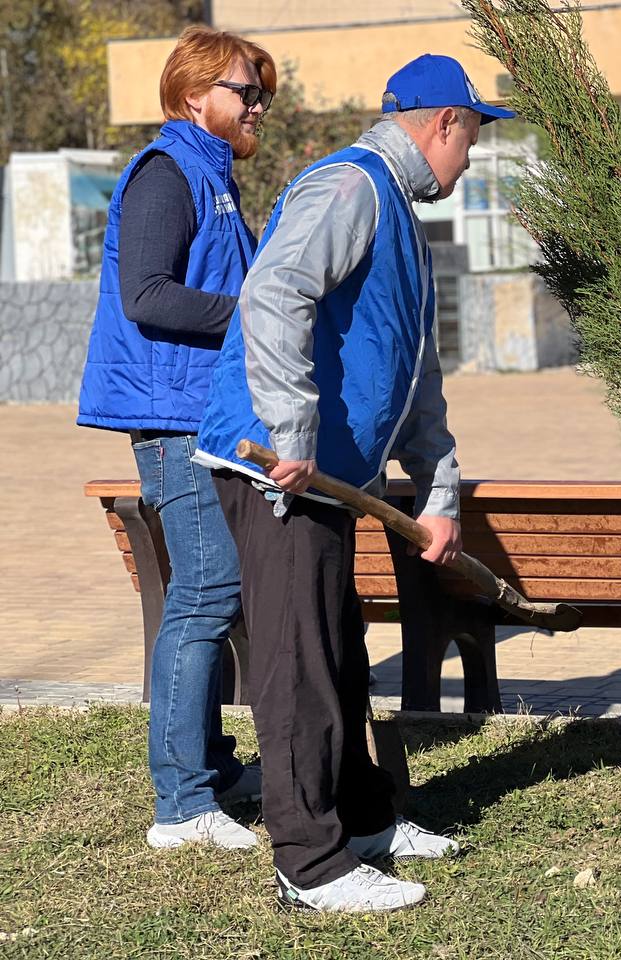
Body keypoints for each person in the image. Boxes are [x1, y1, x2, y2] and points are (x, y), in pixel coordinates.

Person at [194, 55, 514, 913]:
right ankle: (310, 865)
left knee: (336, 654)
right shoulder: (350, 186)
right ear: (443, 122)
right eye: (473, 137)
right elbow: (274, 294)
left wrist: (437, 493)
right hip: (279, 470)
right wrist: (293, 431)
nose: (471, 158)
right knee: (299, 665)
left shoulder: (400, 215)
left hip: (326, 480)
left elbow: (416, 374)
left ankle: (364, 821)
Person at [77, 26, 276, 851]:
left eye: (263, 92)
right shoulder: (166, 173)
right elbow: (148, 296)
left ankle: (211, 769)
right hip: (175, 420)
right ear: (195, 96)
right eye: (245, 90)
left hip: (209, 413)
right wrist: (256, 313)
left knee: (214, 594)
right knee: (204, 596)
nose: (258, 104)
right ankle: (182, 804)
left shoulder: (211, 173)